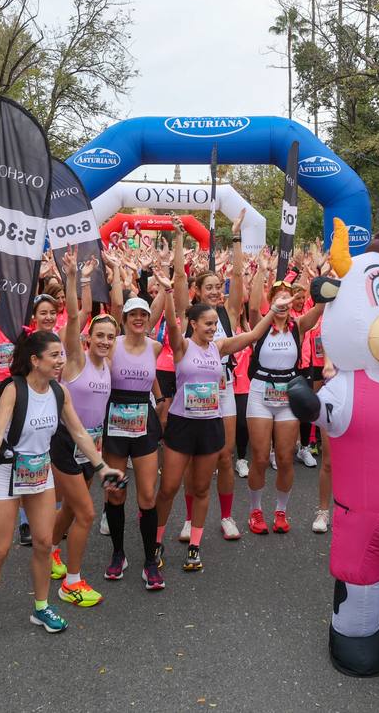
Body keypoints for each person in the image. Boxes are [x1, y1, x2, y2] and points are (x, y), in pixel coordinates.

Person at [0, 329, 124, 654]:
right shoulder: (14, 390)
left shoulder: (60, 393)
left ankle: (41, 606)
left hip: (39, 472)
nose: (61, 361)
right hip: (7, 471)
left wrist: (102, 467)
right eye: (55, 356)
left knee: (45, 543)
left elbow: (79, 433)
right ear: (35, 360)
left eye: (62, 355)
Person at [155, 232, 287, 572]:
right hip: (183, 424)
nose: (213, 327)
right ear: (193, 324)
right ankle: (154, 541)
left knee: (201, 487)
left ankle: (195, 548)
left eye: (216, 323)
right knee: (169, 486)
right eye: (208, 323)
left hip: (211, 423)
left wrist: (273, 310)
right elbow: (171, 322)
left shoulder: (220, 347)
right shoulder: (182, 345)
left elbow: (254, 335)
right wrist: (169, 292)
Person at [170, 213, 248, 543]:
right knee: (193, 459)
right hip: (191, 393)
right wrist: (178, 239)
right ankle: (189, 519)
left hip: (224, 389)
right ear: (199, 292)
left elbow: (240, 277)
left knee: (224, 456)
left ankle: (227, 516)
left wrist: (236, 238)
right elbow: (177, 279)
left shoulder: (228, 313)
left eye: (219, 286)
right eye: (210, 287)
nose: (217, 291)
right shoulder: (192, 315)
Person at [48, 249, 111, 608]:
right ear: (88, 340)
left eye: (109, 337)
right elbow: (74, 316)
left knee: (72, 510)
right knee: (86, 512)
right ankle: (71, 582)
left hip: (92, 444)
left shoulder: (108, 366)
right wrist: (74, 278)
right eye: (99, 336)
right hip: (65, 441)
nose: (104, 341)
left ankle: (51, 551)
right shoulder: (75, 361)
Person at [243, 266, 324, 535]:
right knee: (259, 456)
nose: (284, 303)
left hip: (288, 391)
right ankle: (255, 511)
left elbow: (320, 308)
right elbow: (254, 305)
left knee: (286, 457)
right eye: (279, 298)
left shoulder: (298, 326)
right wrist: (258, 272)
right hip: (260, 391)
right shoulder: (261, 322)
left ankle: (281, 511)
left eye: (288, 298)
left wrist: (325, 281)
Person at [101, 282, 167, 589]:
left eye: (143, 314)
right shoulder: (112, 344)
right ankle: (118, 554)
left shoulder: (155, 347)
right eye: (133, 315)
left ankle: (150, 561)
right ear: (124, 319)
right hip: (115, 420)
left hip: (144, 421)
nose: (139, 318)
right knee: (115, 493)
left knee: (147, 495)